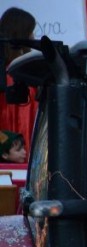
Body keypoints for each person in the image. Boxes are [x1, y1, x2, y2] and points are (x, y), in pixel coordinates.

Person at [0, 7, 37, 147]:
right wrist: (6, 146)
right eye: (30, 31)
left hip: (24, 151)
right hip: (11, 152)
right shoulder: (10, 76)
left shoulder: (29, 74)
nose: (33, 36)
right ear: (21, 34)